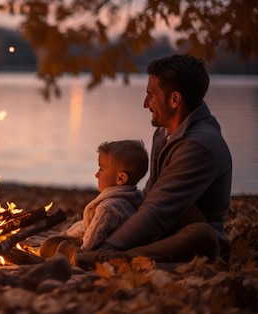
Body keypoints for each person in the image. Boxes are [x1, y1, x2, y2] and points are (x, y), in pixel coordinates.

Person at [53, 54, 233, 268]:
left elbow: (157, 211)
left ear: (175, 99)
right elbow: (150, 198)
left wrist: (106, 248)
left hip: (189, 237)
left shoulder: (198, 146)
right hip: (161, 229)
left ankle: (112, 258)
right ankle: (100, 253)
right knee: (53, 244)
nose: (145, 103)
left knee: (204, 236)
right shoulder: (164, 132)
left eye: (151, 95)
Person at [39, 140, 148, 257]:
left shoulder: (108, 208)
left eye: (101, 169)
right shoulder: (135, 198)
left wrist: (79, 253)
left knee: (48, 245)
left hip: (100, 251)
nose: (96, 175)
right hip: (117, 245)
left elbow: (90, 242)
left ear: (121, 178)